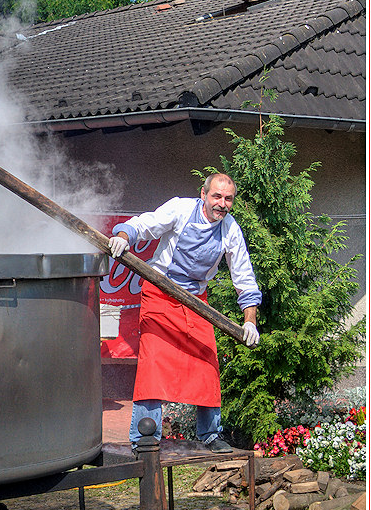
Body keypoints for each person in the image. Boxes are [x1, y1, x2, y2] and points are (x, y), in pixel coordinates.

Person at [108, 173, 261, 454]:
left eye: (228, 199)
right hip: (159, 294)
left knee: (206, 364)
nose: (222, 204)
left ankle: (211, 434)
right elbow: (144, 225)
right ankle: (146, 436)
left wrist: (249, 320)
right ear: (203, 195)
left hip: (195, 302)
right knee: (153, 365)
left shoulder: (230, 230)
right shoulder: (179, 208)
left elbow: (244, 277)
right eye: (217, 196)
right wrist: (122, 236)